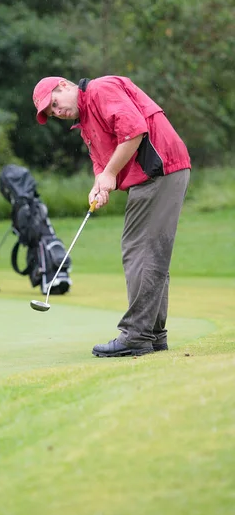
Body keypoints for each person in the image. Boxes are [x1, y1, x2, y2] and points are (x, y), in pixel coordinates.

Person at [32, 75, 191, 357]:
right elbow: (101, 161)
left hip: (161, 169)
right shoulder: (85, 122)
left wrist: (109, 174)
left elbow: (134, 130)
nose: (57, 112)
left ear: (65, 86)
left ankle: (136, 336)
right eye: (51, 112)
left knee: (139, 252)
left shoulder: (99, 90)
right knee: (148, 252)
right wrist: (99, 183)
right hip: (155, 175)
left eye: (54, 104)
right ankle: (152, 335)